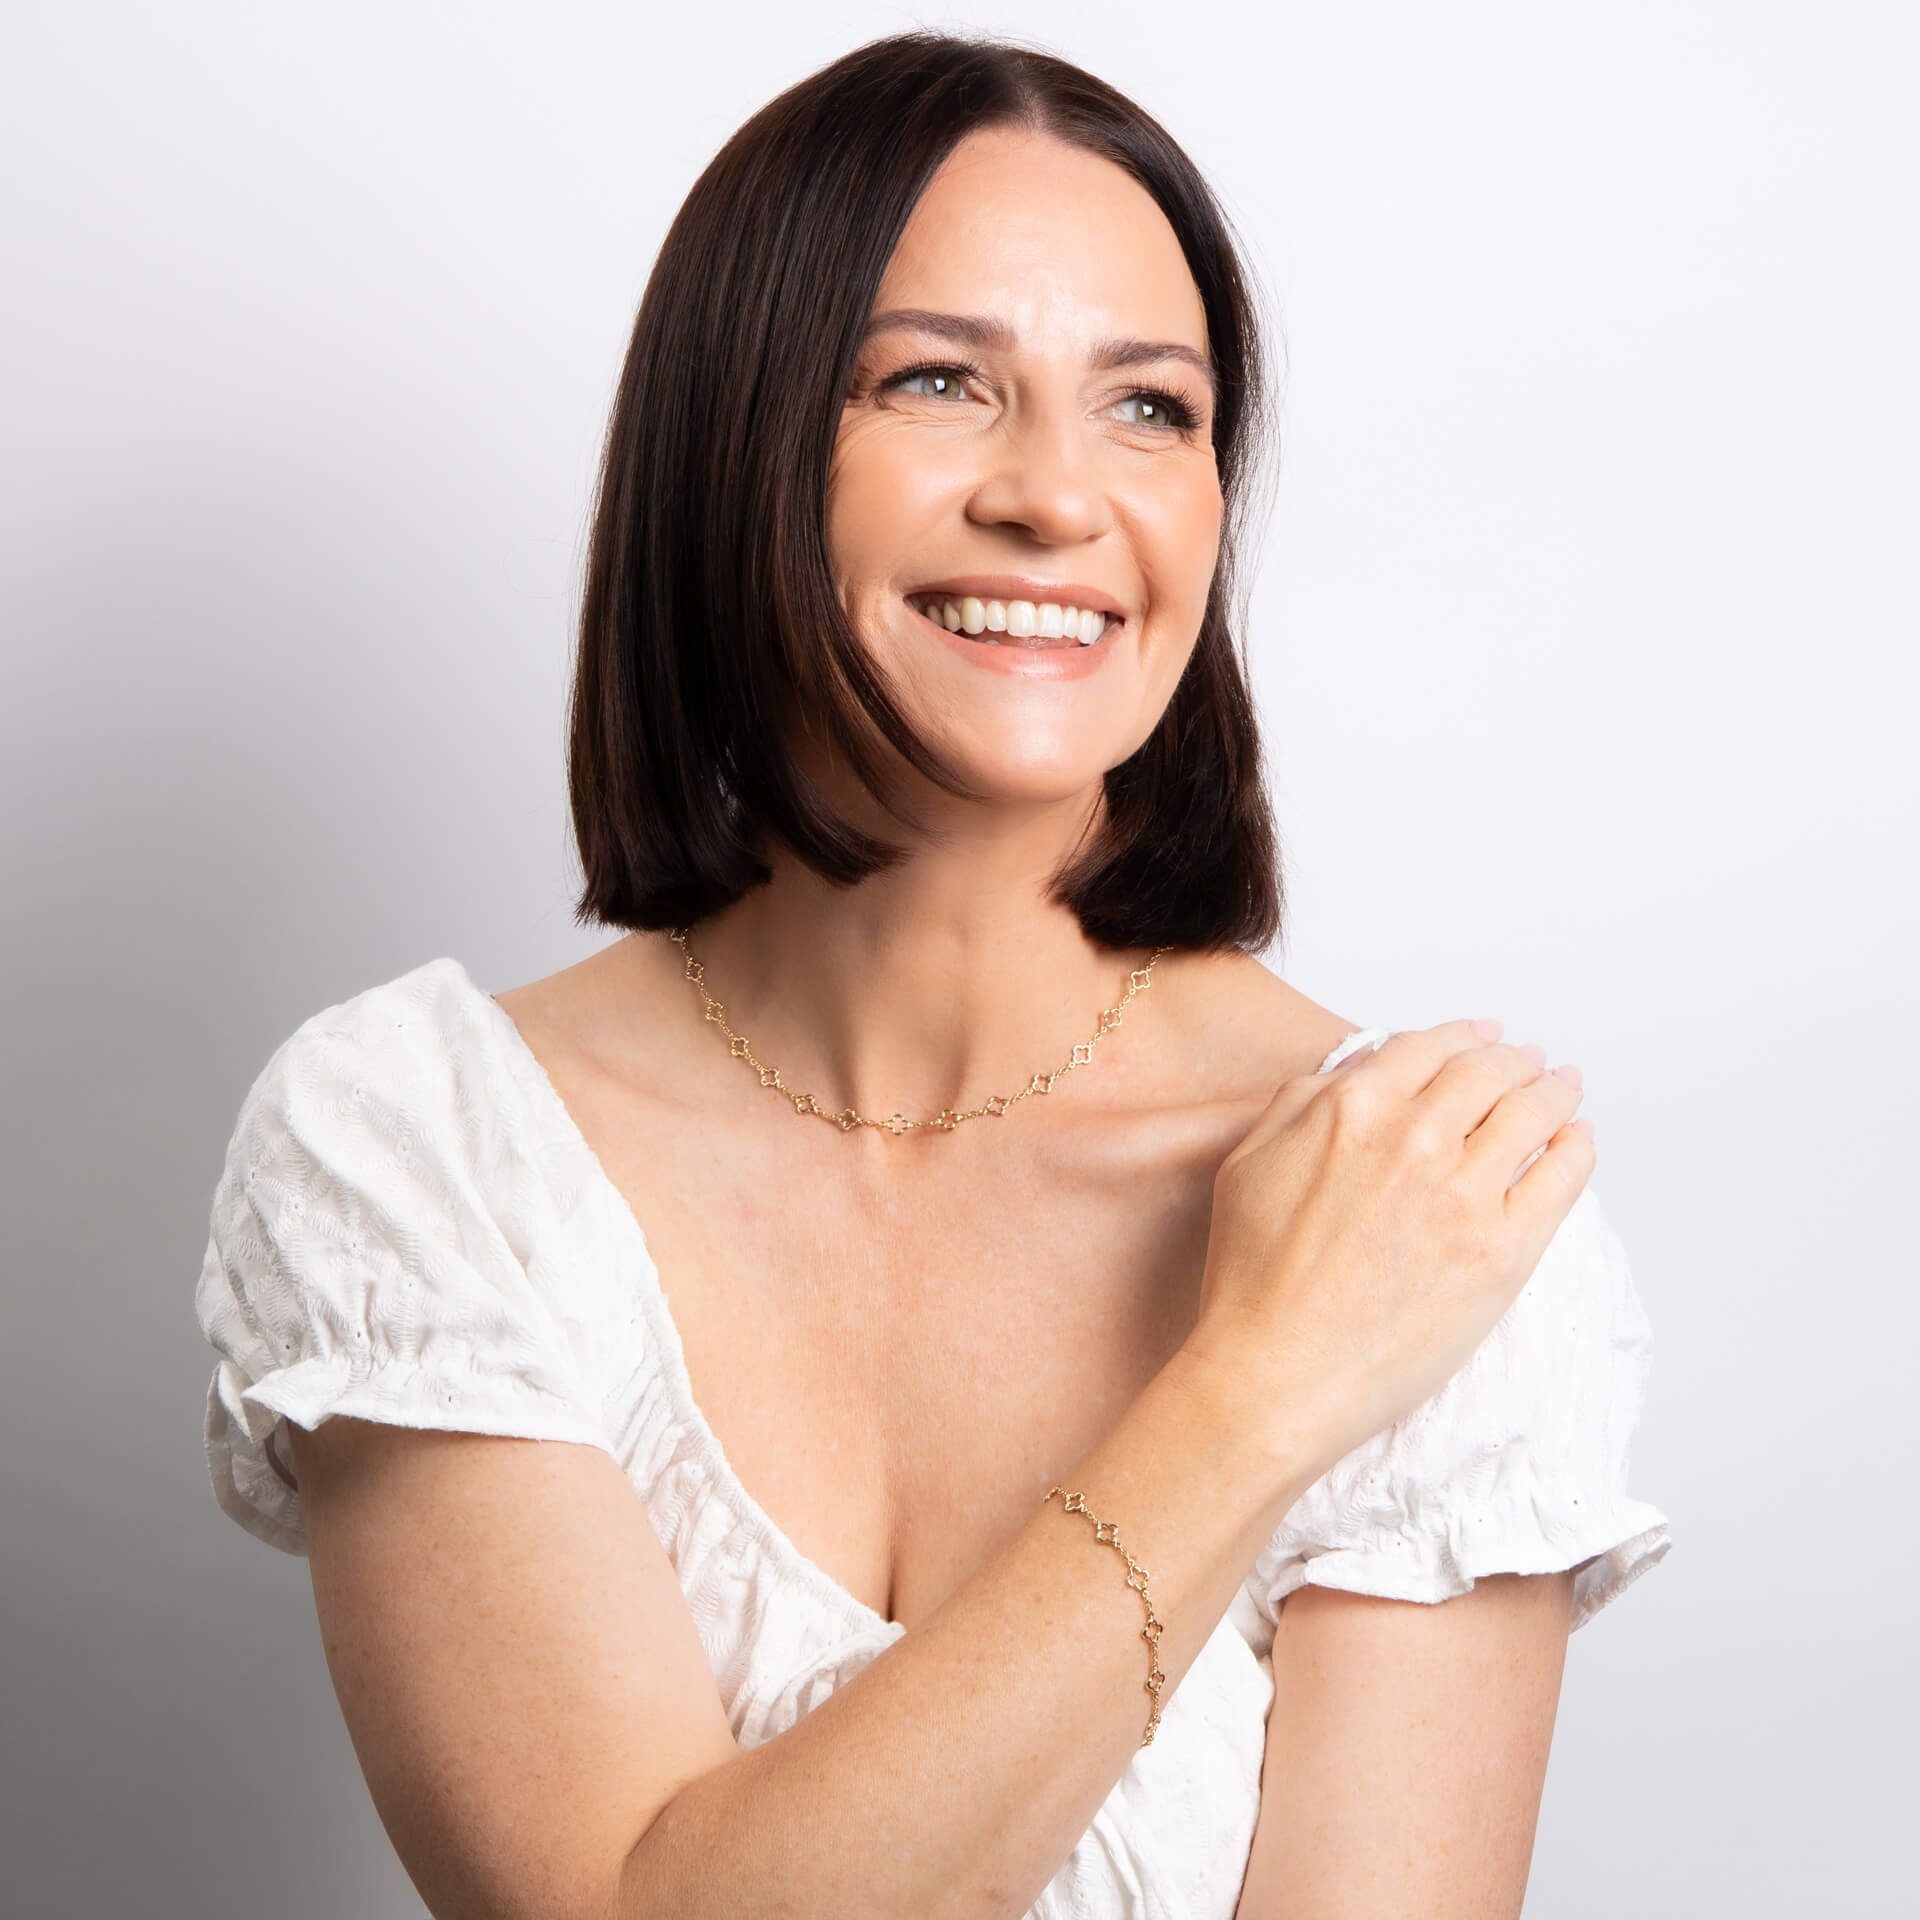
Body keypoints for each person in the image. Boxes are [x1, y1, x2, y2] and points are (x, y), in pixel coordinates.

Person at [193, 29, 1671, 1920]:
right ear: (737, 444)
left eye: (1151, 409)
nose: (1058, 496)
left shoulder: (1422, 1202)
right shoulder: (419, 1154)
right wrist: (1257, 1391)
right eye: (938, 382)